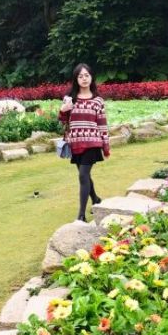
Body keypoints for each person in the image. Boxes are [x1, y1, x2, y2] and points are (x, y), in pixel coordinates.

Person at [58, 63, 110, 223]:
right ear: (76, 79)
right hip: (75, 143)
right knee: (85, 176)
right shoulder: (70, 99)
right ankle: (95, 199)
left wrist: (106, 145)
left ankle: (81, 215)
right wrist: (64, 109)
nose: (84, 79)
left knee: (82, 175)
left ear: (91, 77)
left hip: (92, 142)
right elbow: (62, 121)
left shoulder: (98, 100)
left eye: (86, 75)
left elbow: (102, 124)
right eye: (80, 76)